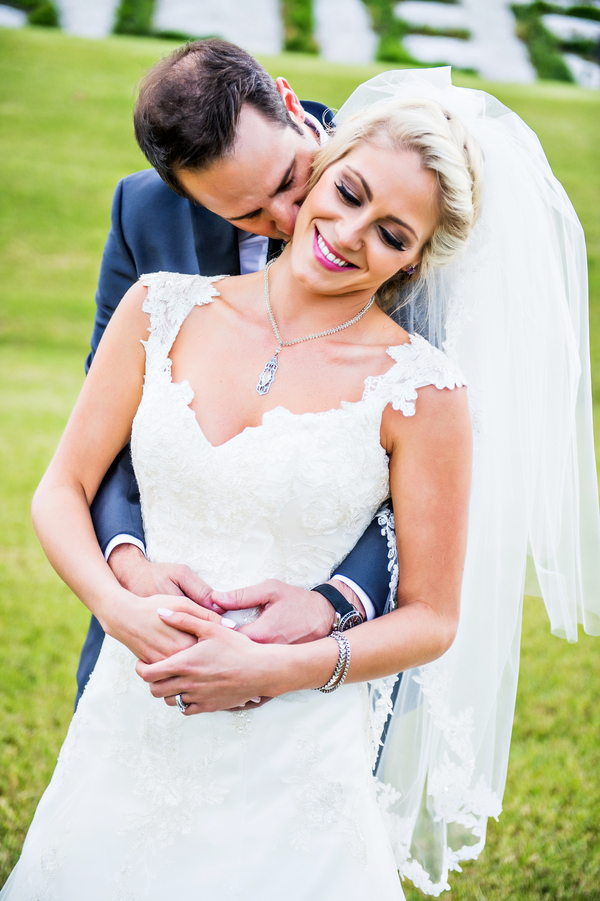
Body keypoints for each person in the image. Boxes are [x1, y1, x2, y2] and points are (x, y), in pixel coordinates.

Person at [2, 68, 599, 899]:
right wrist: (122, 603)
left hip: (295, 745)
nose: (345, 233)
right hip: (134, 699)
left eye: (393, 234)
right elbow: (63, 485)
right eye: (347, 193)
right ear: (332, 164)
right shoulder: (159, 307)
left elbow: (434, 617)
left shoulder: (424, 390)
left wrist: (285, 667)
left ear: (419, 258)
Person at [78, 38, 396, 705]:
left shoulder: (395, 189)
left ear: (286, 100)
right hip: (163, 620)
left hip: (327, 638)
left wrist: (335, 600)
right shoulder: (142, 213)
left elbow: (433, 431)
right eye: (247, 213)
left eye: (287, 181)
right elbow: (104, 426)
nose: (287, 218)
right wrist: (129, 564)